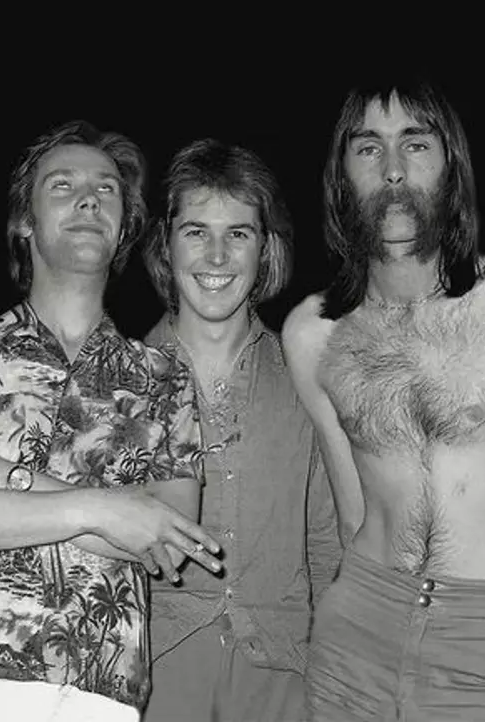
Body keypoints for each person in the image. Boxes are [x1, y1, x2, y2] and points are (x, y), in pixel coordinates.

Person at [0, 120, 223, 722]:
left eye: (106, 189)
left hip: (106, 685)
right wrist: (107, 510)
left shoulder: (163, 377)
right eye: (63, 186)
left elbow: (166, 545)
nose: (89, 199)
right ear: (25, 221)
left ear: (124, 226)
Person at [282, 78, 485, 721]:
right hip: (355, 638)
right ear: (340, 177)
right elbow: (353, 517)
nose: (392, 169)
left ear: (451, 165)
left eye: (415, 144)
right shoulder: (313, 335)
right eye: (368, 148)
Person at [140, 139, 341, 722]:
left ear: (266, 248)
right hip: (156, 665)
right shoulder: (119, 379)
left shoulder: (306, 376)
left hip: (284, 672)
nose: (217, 255)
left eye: (239, 233)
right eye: (196, 231)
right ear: (166, 243)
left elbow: (326, 542)